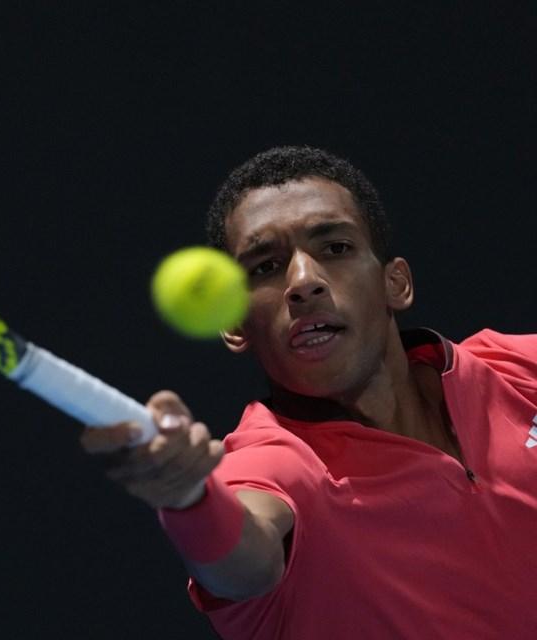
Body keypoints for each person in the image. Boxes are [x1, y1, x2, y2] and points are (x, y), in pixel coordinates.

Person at [80, 146, 537, 639]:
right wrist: (190, 500)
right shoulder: (273, 463)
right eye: (265, 267)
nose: (303, 282)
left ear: (395, 283)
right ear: (236, 325)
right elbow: (242, 565)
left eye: (335, 248)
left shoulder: (517, 368)